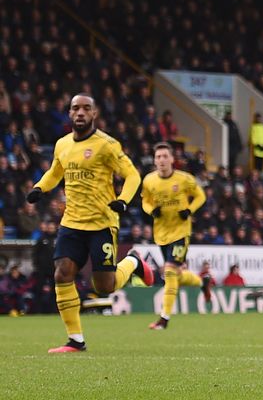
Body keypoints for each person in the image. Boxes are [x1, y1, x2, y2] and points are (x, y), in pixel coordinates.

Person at [25, 93, 154, 353]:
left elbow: (132, 175)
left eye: (86, 108)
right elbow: (55, 171)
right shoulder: (62, 144)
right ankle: (75, 340)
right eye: (75, 108)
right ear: (69, 113)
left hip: (102, 223)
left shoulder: (107, 145)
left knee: (104, 286)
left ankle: (133, 262)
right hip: (72, 222)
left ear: (94, 113)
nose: (80, 112)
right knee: (62, 272)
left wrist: (123, 200)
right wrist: (40, 187)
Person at [141, 142, 209, 330]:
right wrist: (151, 210)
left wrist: (189, 210)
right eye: (158, 157)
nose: (161, 160)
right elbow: (145, 201)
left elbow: (201, 196)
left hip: (181, 232)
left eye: (165, 156)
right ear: (154, 161)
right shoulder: (149, 180)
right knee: (176, 275)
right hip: (161, 233)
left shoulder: (185, 179)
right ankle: (203, 282)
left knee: (169, 271)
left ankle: (164, 318)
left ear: (172, 159)